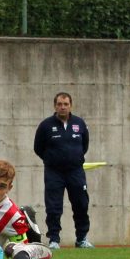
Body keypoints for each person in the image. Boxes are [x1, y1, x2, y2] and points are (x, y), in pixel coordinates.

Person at [34, 92, 93, 250]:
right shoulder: (46, 125)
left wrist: (74, 158)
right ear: (55, 106)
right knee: (53, 207)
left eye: (65, 104)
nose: (62, 107)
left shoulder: (79, 123)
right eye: (59, 104)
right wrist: (52, 159)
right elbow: (38, 148)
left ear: (70, 105)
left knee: (81, 204)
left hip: (76, 171)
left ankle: (81, 239)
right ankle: (54, 240)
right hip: (54, 173)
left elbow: (84, 145)